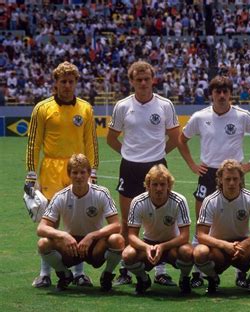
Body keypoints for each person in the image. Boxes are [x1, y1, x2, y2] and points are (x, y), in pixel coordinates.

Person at [178, 75, 250, 287]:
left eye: (225, 91)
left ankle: (240, 272)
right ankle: (197, 273)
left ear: (230, 94)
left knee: (239, 221)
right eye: (217, 91)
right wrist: (192, 165)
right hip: (208, 172)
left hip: (233, 175)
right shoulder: (200, 117)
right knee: (202, 223)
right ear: (211, 94)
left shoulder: (242, 115)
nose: (221, 95)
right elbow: (181, 140)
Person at [25, 61, 99, 288]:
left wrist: (92, 171)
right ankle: (45, 272)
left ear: (76, 83)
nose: (67, 85)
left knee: (79, 219)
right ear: (55, 83)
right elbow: (33, 144)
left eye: (71, 81)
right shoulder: (42, 108)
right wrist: (30, 175)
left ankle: (78, 273)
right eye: (62, 81)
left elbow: (91, 142)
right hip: (51, 170)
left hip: (78, 169)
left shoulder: (85, 108)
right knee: (50, 221)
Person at [107, 61, 180, 286]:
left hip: (157, 167)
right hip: (130, 168)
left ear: (152, 79)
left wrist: (157, 155)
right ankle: (125, 269)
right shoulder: (122, 106)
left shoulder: (165, 105)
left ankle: (160, 270)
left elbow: (175, 137)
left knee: (160, 220)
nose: (143, 83)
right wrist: (130, 154)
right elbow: (111, 138)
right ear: (131, 81)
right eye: (138, 80)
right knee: (128, 221)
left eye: (146, 79)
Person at [36, 154, 124, 292]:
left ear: (89, 174)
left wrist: (92, 236)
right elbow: (41, 228)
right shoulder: (60, 196)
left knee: (117, 239)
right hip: (71, 246)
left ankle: (107, 275)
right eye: (75, 172)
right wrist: (63, 236)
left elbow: (116, 225)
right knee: (43, 243)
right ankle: (64, 274)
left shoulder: (101, 193)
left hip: (94, 246)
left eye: (83, 172)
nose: (79, 176)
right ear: (69, 174)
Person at [193, 160, 250, 293]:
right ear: (220, 179)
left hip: (243, 249)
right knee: (199, 252)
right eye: (227, 179)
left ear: (241, 179)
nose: (231, 183)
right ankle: (213, 278)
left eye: (235, 179)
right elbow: (201, 235)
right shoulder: (210, 201)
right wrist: (225, 245)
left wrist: (245, 244)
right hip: (219, 249)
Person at [122, 164, 194, 295]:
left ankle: (184, 278)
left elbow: (184, 236)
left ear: (169, 185)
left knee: (188, 251)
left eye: (162, 184)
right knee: (127, 254)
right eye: (155, 184)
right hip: (149, 243)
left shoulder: (179, 201)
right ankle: (143, 279)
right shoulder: (138, 202)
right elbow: (131, 236)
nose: (159, 188)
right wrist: (146, 248)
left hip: (173, 245)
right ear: (148, 185)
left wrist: (163, 246)